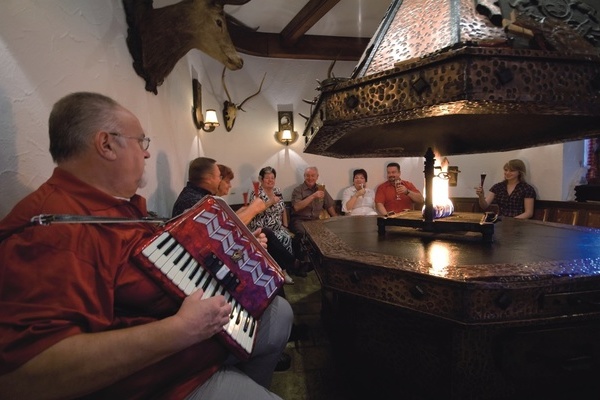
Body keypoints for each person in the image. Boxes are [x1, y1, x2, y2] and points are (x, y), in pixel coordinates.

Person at [0, 92, 293, 400]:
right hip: (166, 379)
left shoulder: (117, 207)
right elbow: (23, 377)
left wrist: (237, 250)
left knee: (279, 314)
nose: (147, 153)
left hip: (195, 345)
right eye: (141, 142)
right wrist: (180, 330)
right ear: (106, 145)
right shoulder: (55, 230)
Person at [248, 166, 301, 283]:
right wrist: (271, 201)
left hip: (278, 227)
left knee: (287, 237)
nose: (270, 180)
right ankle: (283, 271)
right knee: (278, 238)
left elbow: (283, 209)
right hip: (262, 228)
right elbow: (254, 210)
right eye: (267, 178)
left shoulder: (277, 191)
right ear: (261, 179)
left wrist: (285, 226)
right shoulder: (256, 192)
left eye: (272, 178)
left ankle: (288, 268)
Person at [289, 166, 338, 236]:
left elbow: (329, 206)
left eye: (313, 176)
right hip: (300, 220)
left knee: (327, 233)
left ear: (317, 177)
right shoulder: (298, 190)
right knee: (304, 234)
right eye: (307, 176)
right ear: (304, 176)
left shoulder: (321, 189)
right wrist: (313, 196)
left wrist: (337, 220)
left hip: (315, 220)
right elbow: (296, 207)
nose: (310, 178)